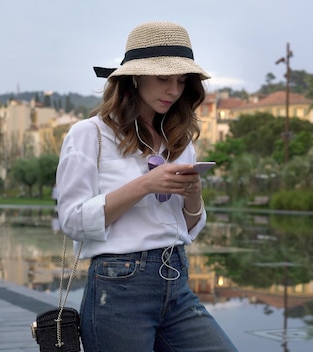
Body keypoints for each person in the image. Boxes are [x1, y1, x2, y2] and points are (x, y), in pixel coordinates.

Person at [56, 21, 237, 352]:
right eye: (164, 79)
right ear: (135, 78)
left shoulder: (179, 140)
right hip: (118, 285)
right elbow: (72, 222)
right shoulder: (89, 134)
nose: (174, 90)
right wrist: (143, 185)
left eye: (182, 81)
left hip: (176, 277)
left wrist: (194, 196)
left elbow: (190, 227)